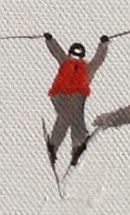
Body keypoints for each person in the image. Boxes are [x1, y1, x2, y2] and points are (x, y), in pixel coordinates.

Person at [43, 33, 109, 167]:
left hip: (77, 95)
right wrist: (50, 40)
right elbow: (57, 51)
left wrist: (103, 44)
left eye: (78, 55)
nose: (75, 57)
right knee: (70, 117)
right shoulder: (65, 61)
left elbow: (99, 58)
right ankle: (73, 142)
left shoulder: (87, 67)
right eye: (73, 54)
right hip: (60, 94)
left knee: (69, 117)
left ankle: (65, 144)